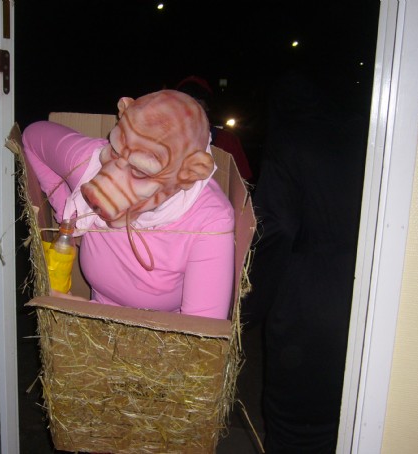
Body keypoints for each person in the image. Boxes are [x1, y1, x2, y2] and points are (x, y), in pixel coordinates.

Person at [23, 89, 235, 320]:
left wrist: (89, 314)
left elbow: (200, 331)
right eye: (114, 150)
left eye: (140, 171)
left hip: (163, 332)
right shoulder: (90, 164)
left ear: (191, 172)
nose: (106, 180)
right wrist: (69, 212)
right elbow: (32, 137)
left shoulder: (210, 219)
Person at [244, 67, 367, 452]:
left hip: (306, 299)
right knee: (346, 410)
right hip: (365, 288)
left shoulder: (291, 141)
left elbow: (276, 230)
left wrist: (248, 307)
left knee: (294, 418)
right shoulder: (366, 135)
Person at [175, 75, 254, 182]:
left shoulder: (227, 141)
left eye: (198, 101)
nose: (191, 107)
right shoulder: (166, 141)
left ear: (207, 106)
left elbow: (243, 181)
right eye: (185, 101)